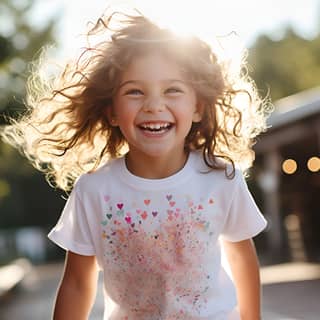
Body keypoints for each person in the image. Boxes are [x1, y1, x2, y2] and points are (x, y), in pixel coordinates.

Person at [1, 9, 270, 320]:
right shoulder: (94, 190)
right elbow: (77, 283)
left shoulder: (222, 179)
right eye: (134, 91)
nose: (154, 105)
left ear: (198, 107)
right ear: (112, 111)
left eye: (172, 90)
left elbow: (242, 259)